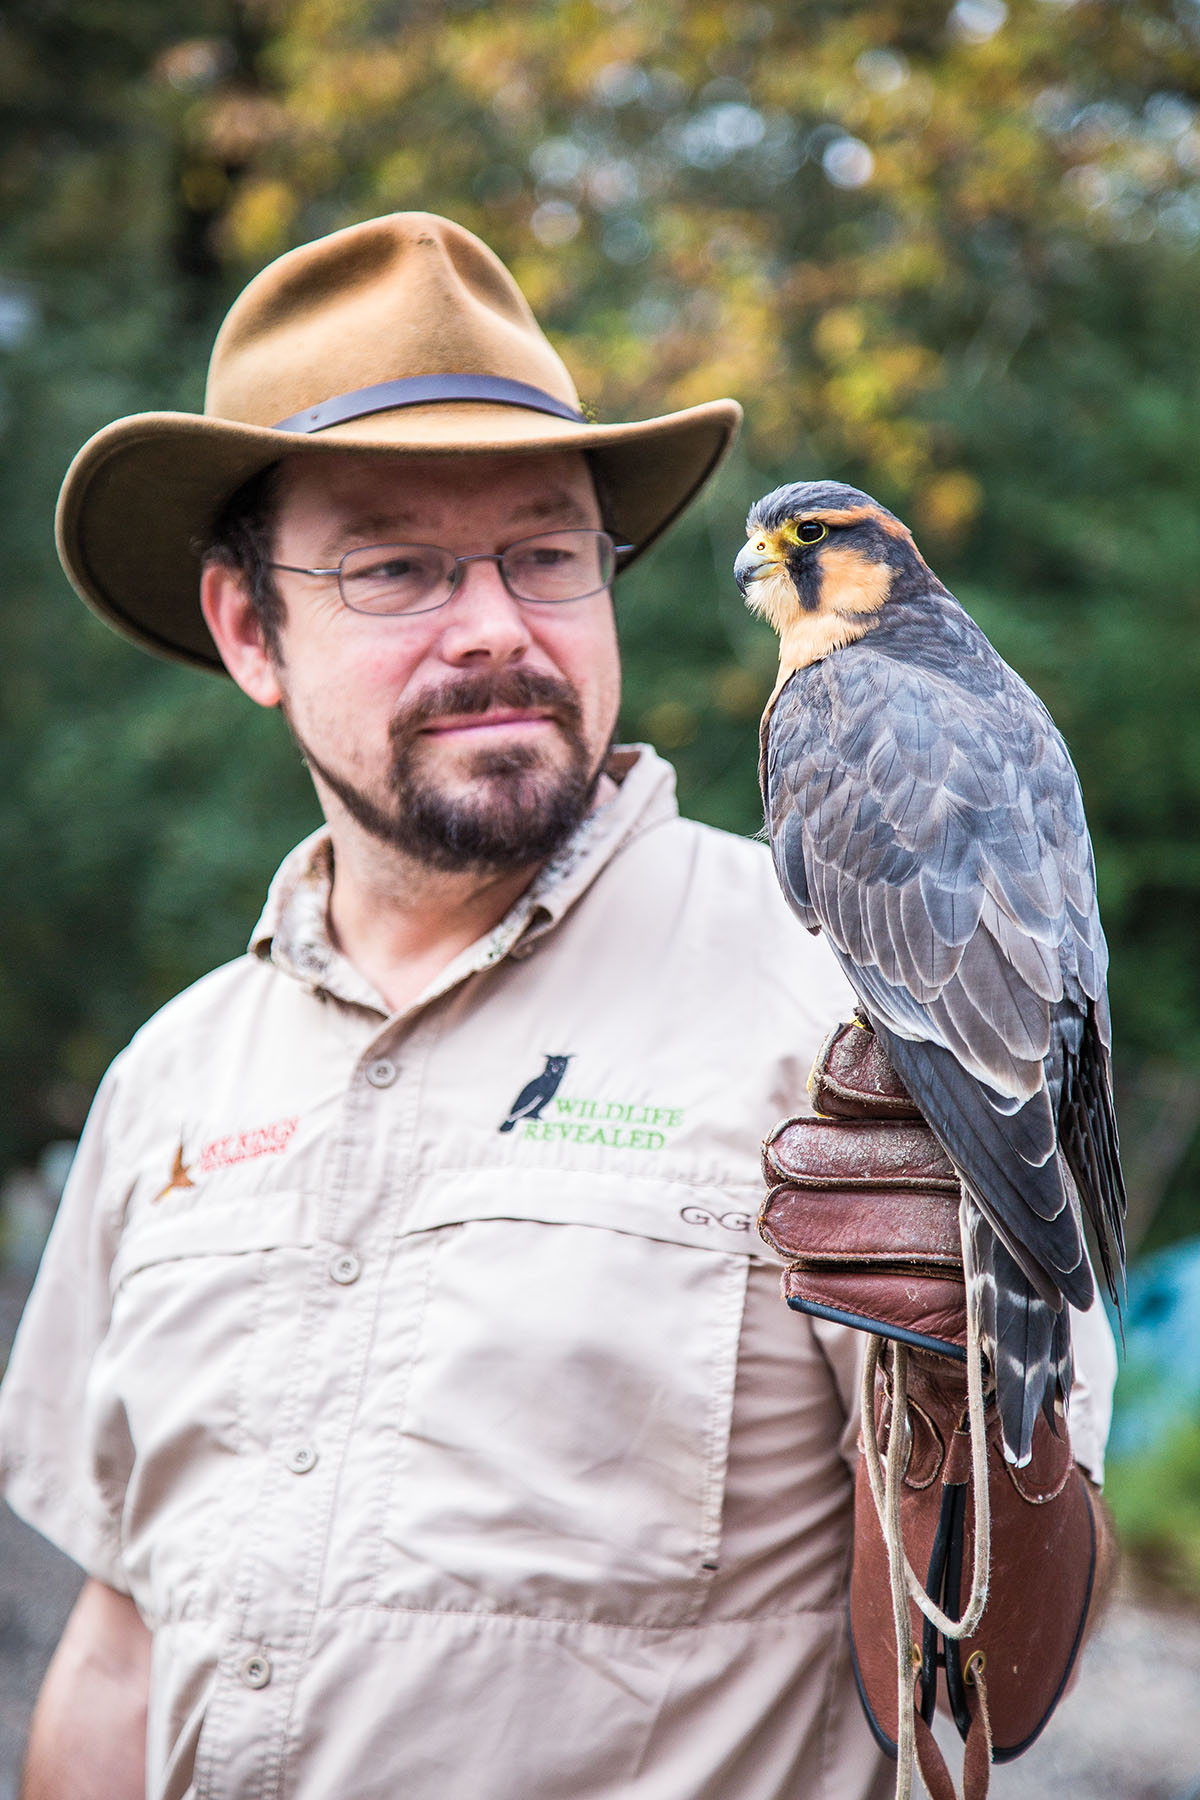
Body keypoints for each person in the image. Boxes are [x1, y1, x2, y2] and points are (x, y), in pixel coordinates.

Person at [0, 213, 1116, 1800]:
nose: (495, 628)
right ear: (250, 628)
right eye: (395, 567)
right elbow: (120, 1646)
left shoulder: (832, 1008)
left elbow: (988, 1691)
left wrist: (951, 1408)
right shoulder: (167, 1081)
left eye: (546, 554)